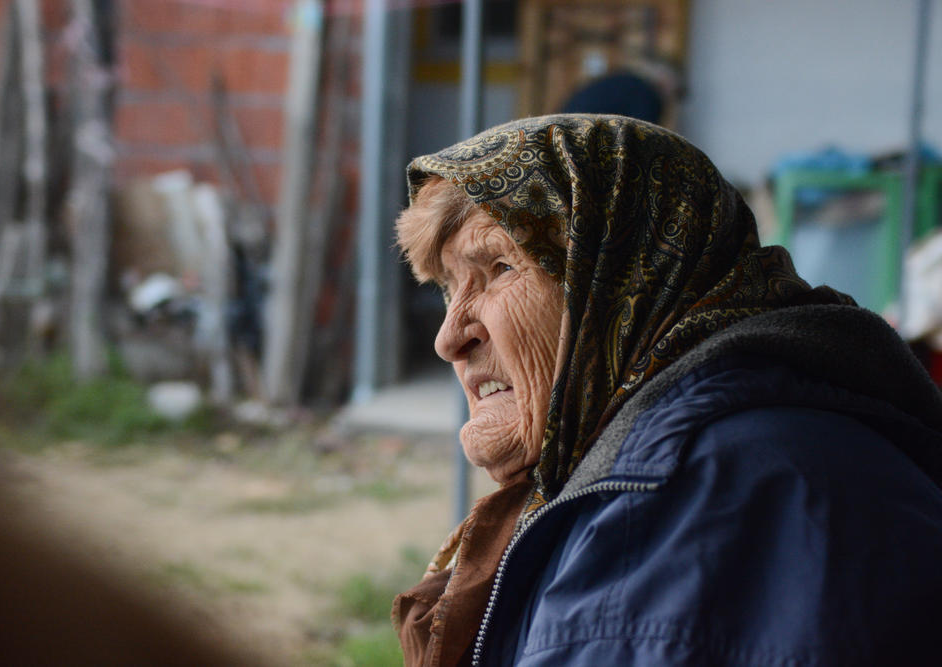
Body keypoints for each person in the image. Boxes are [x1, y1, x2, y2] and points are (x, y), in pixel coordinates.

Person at [391, 114, 942, 666]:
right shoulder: (642, 475)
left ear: (626, 276)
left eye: (500, 267)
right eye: (449, 286)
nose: (449, 338)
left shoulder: (696, 499)